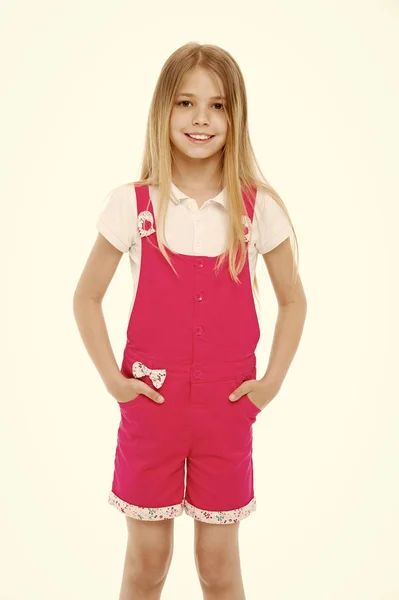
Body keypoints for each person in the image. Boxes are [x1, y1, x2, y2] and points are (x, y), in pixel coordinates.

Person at [73, 42, 307, 600]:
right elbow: (87, 296)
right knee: (146, 564)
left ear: (236, 116)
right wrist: (113, 380)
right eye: (186, 103)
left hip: (227, 413)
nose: (201, 119)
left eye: (218, 105)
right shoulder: (132, 205)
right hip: (150, 408)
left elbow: (293, 301)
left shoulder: (257, 209)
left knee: (218, 566)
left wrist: (268, 386)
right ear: (163, 111)